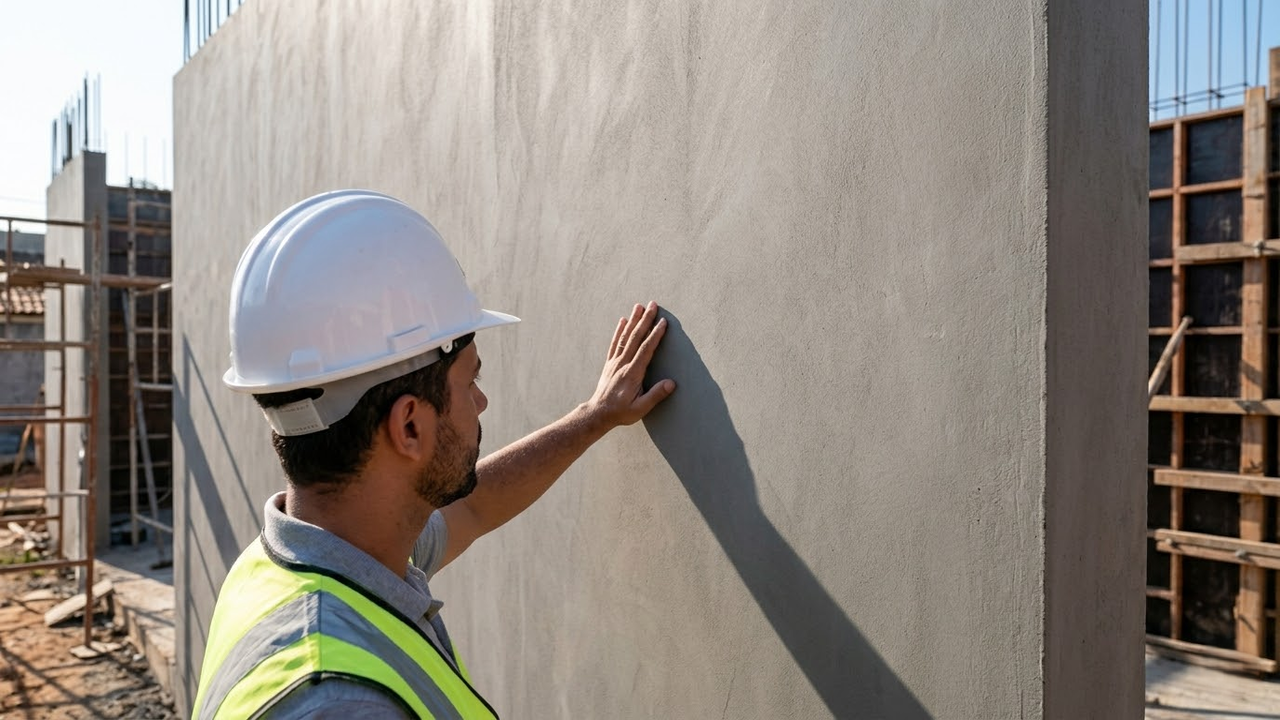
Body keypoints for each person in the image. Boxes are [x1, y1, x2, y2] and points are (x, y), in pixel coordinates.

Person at [191, 190, 675, 719]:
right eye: (471, 380)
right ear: (410, 426)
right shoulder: (338, 705)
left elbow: (472, 507)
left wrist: (596, 414)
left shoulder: (292, 563)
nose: (481, 401)